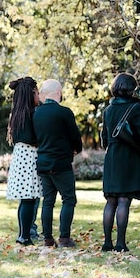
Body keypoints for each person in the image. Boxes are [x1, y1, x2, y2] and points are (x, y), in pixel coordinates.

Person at [100, 72, 140, 252]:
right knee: (123, 200)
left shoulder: (107, 110)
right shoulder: (136, 108)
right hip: (129, 156)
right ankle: (120, 243)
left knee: (111, 201)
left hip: (112, 157)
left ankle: (107, 242)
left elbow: (104, 140)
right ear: (131, 89)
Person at [33, 79, 83, 248]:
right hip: (61, 163)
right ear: (58, 93)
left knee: (48, 201)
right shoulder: (64, 113)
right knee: (69, 199)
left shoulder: (36, 114)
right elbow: (75, 136)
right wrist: (77, 149)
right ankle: (64, 238)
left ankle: (47, 238)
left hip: (43, 162)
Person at [5, 76, 42, 246]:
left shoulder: (18, 113)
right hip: (29, 157)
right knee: (29, 199)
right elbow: (32, 137)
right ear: (31, 94)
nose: (39, 96)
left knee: (26, 199)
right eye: (37, 92)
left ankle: (23, 234)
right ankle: (25, 236)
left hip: (22, 157)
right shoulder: (31, 114)